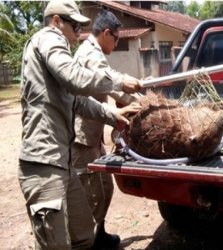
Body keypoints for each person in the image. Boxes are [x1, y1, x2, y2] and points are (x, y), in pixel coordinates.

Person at [18, 0, 142, 249]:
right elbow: (75, 79)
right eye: (74, 27)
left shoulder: (58, 56)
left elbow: (77, 102)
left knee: (84, 234)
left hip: (61, 162)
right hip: (43, 163)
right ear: (56, 21)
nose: (78, 34)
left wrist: (113, 115)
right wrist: (117, 82)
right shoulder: (48, 39)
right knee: (57, 243)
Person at [71, 9, 140, 249]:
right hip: (81, 139)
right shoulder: (90, 53)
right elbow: (107, 79)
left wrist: (136, 97)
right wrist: (140, 102)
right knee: (90, 195)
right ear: (107, 33)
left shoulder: (95, 51)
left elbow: (111, 80)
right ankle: (87, 242)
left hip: (94, 136)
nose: (118, 43)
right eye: (117, 38)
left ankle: (98, 234)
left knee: (105, 188)